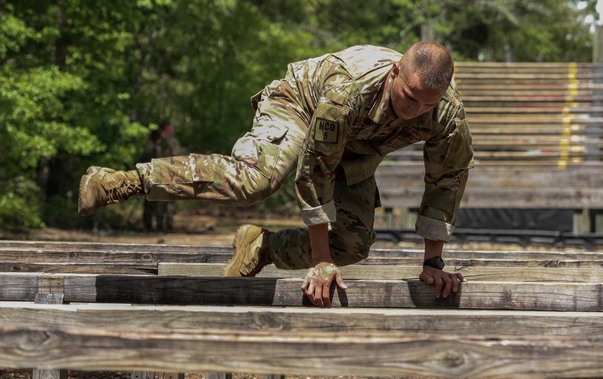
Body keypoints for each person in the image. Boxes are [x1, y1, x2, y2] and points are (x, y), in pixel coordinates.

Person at [78, 42, 474, 305]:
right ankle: (122, 182)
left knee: (353, 245)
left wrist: (433, 265)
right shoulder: (348, 90)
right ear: (394, 75)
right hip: (300, 104)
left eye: (427, 104)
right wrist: (320, 262)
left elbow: (446, 181)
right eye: (409, 97)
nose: (416, 110)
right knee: (257, 180)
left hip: (357, 143)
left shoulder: (449, 115)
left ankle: (261, 246)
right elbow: (315, 168)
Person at [154, 120, 183, 232]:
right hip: (170, 173)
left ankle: (160, 224)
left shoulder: (157, 141)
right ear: (167, 128)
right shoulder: (170, 141)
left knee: (160, 199)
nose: (173, 129)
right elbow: (177, 157)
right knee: (170, 199)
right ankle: (168, 223)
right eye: (171, 127)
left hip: (160, 172)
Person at [140, 128, 163, 232]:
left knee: (158, 202)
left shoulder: (156, 147)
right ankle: (148, 224)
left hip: (157, 177)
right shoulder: (151, 147)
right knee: (150, 202)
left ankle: (158, 224)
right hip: (150, 177)